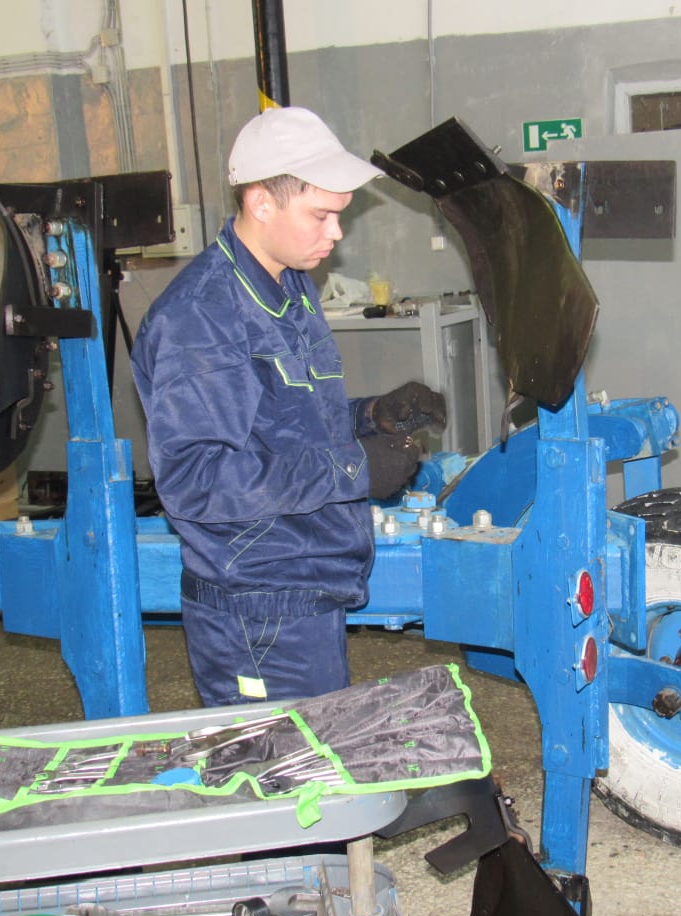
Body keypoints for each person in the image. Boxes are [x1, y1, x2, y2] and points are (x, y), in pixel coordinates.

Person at [131, 106, 445, 708]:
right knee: (285, 762)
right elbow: (196, 479)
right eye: (321, 215)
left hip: (302, 582)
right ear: (260, 203)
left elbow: (282, 423)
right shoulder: (202, 318)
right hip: (257, 607)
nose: (336, 233)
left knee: (315, 753)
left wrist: (372, 416)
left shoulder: (289, 284)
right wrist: (355, 468)